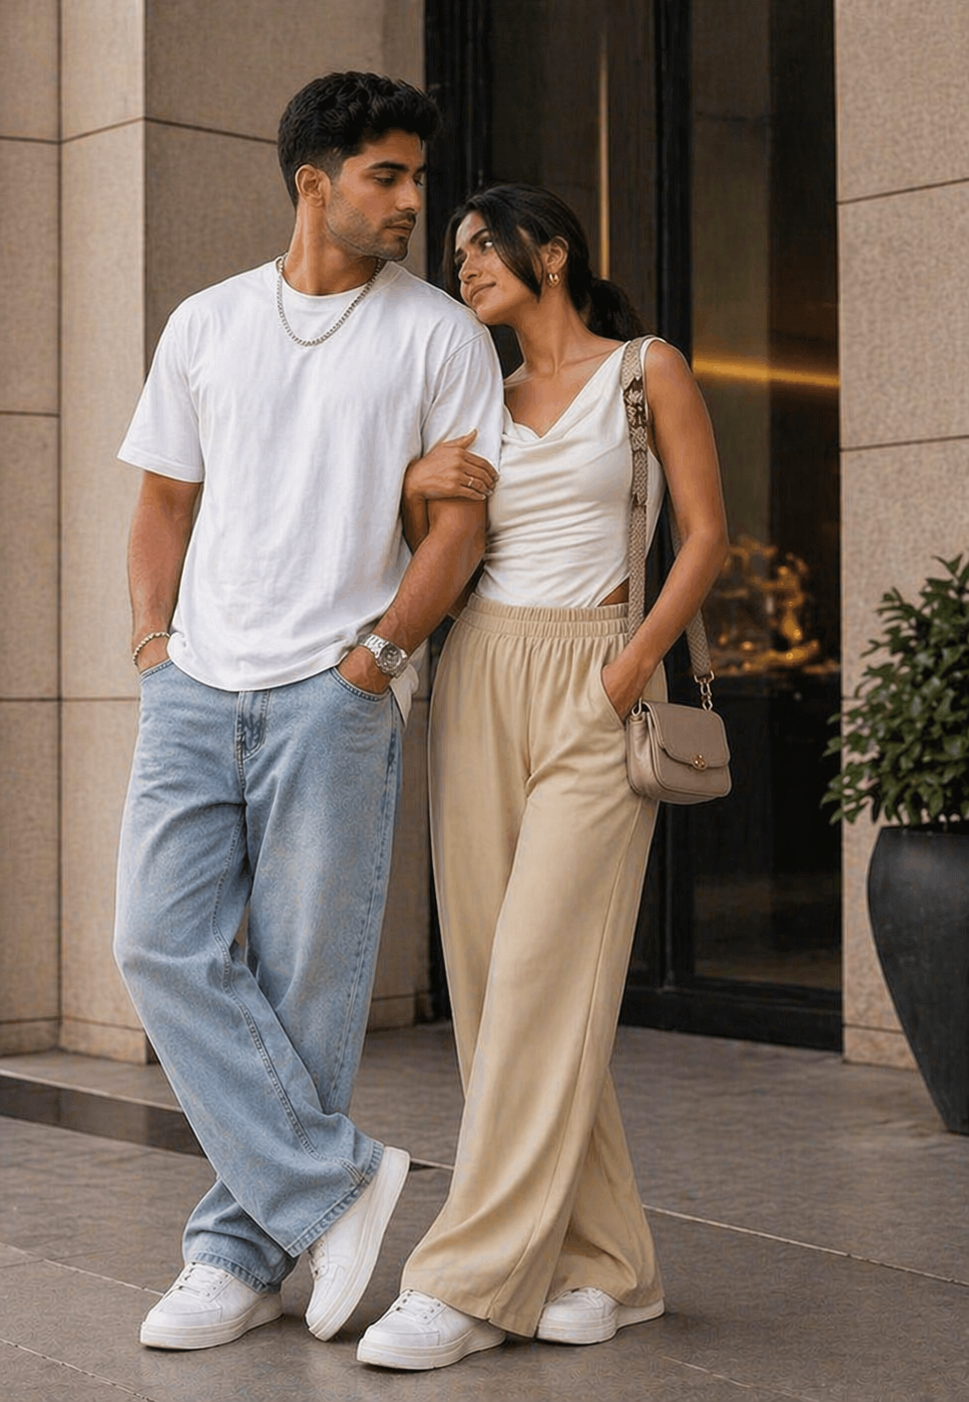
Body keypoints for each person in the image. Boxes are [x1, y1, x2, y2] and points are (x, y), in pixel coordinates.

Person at [113, 72, 503, 1353]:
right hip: (193, 684)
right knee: (156, 946)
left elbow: (460, 524)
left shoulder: (438, 334)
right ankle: (337, 1180)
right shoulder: (208, 323)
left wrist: (379, 655)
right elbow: (165, 500)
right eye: (385, 176)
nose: (409, 202)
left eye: (415, 178)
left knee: (304, 985)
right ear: (312, 180)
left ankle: (236, 1252)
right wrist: (153, 644)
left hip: (335, 691)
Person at [358, 183, 728, 1371]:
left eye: (483, 245)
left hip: (593, 673)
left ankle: (466, 1279)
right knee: (493, 987)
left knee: (537, 979)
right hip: (479, 681)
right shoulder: (483, 400)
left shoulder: (645, 369)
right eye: (453, 251)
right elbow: (442, 549)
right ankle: (615, 1264)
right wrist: (422, 491)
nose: (463, 264)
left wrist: (623, 676)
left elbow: (708, 537)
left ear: (553, 254)